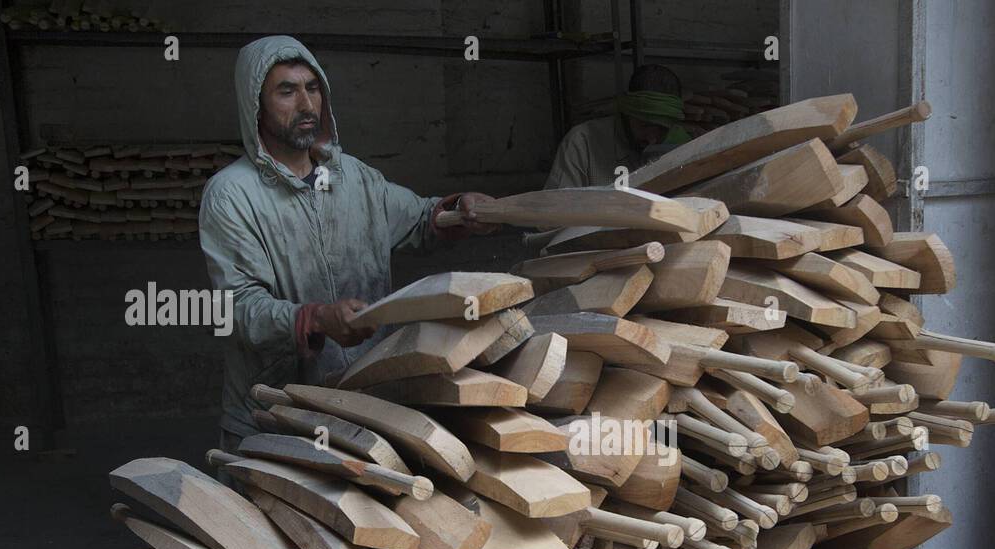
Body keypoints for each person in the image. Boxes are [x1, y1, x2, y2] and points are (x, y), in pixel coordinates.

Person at [199, 35, 498, 449]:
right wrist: (318, 319)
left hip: (363, 406)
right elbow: (240, 309)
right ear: (256, 104)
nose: (306, 105)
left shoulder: (353, 178)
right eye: (286, 91)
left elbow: (418, 219)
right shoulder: (232, 194)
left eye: (313, 88)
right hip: (275, 417)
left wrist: (461, 209)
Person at [544, 64, 688, 190]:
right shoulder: (582, 143)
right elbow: (556, 212)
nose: (652, 139)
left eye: (663, 130)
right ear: (627, 114)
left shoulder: (682, 146)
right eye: (645, 125)